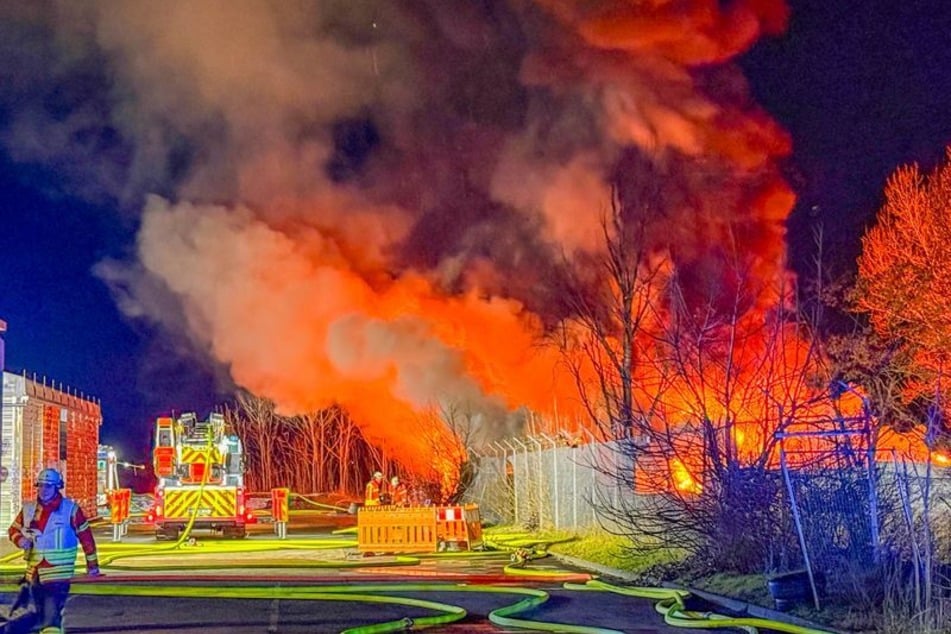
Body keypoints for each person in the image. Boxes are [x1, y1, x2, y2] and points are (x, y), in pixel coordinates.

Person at [6, 468, 100, 633]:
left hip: (58, 574)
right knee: (44, 618)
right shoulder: (28, 510)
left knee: (50, 617)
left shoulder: (70, 510)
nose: (43, 490)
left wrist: (92, 566)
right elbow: (13, 530)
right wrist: (19, 540)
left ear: (57, 487)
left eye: (48, 486)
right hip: (34, 574)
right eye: (41, 486)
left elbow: (86, 539)